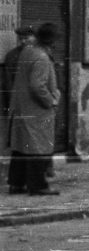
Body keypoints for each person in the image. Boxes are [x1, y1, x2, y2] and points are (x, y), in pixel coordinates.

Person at [7, 23, 59, 195]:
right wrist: (51, 101)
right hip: (36, 110)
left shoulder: (27, 51)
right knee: (38, 147)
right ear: (51, 41)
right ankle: (38, 186)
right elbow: (37, 85)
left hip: (22, 108)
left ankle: (16, 184)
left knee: (21, 147)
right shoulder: (42, 57)